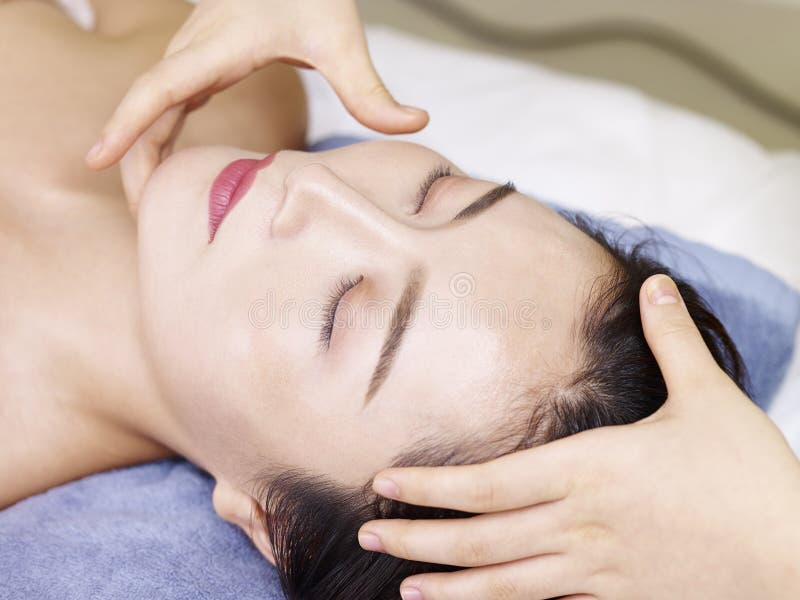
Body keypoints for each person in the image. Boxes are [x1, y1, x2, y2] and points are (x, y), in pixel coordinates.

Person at [1, 2, 797, 600]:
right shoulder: (239, 87)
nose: (316, 188)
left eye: (339, 310)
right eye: (435, 190)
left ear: (264, 519)